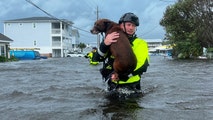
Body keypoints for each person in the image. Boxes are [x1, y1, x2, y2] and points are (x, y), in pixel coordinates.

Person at [92, 12, 149, 93]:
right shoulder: (111, 39)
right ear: (121, 25)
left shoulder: (140, 43)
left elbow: (142, 66)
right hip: (112, 85)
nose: (131, 28)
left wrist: (121, 76)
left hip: (132, 86)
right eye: (129, 25)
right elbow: (96, 59)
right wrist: (104, 44)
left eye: (134, 26)